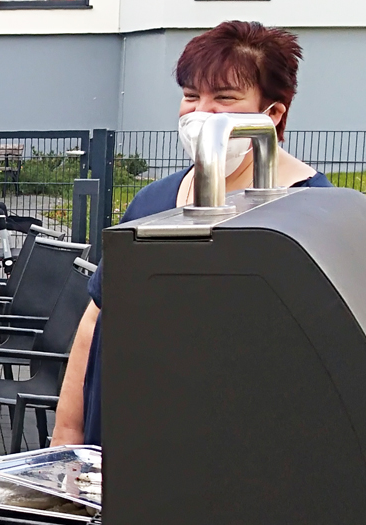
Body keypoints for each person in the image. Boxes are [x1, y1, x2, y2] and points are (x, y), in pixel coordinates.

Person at [51, 21, 334, 448]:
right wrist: (68, 431)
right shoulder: (155, 200)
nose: (202, 113)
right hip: (123, 427)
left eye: (224, 98)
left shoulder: (310, 210)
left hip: (226, 444)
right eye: (190, 96)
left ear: (271, 115)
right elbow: (97, 316)